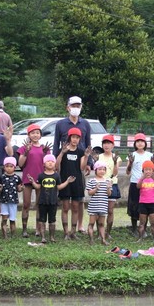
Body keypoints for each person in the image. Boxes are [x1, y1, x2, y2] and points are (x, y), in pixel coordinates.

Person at [53, 96, 92, 233]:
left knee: (79, 199)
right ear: (68, 107)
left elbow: (88, 144)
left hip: (80, 162)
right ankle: (65, 229)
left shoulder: (85, 124)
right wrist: (54, 163)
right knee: (65, 200)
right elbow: (56, 144)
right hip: (64, 163)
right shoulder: (60, 124)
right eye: (73, 105)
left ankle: (79, 225)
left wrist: (89, 162)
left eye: (78, 106)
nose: (76, 108)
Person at [28, 154, 75, 243]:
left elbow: (59, 187)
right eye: (48, 161)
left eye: (52, 161)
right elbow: (38, 187)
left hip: (53, 201)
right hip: (42, 201)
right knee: (42, 219)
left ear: (55, 164)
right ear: (44, 164)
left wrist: (67, 181)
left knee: (52, 219)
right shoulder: (41, 175)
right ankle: (43, 237)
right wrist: (33, 182)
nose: (50, 163)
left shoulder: (56, 176)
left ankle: (52, 237)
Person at [17, 123, 52, 237]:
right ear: (28, 135)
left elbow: (49, 164)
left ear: (40, 135)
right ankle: (24, 229)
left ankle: (38, 229)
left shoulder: (44, 148)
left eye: (37, 133)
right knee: (26, 204)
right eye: (33, 133)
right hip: (27, 179)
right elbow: (20, 163)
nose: (35, 135)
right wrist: (26, 152)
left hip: (40, 179)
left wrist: (46, 152)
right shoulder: (24, 148)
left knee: (39, 205)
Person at [57, 127, 90, 239]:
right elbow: (57, 166)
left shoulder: (80, 151)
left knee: (75, 207)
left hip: (76, 182)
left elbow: (82, 167)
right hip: (65, 181)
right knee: (65, 207)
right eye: (73, 137)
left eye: (77, 137)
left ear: (79, 139)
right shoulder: (64, 149)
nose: (75, 139)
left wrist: (86, 156)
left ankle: (73, 232)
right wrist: (62, 153)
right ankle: (66, 232)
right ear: (69, 138)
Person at [125, 133, 154, 236]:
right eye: (138, 141)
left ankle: (144, 229)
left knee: (144, 206)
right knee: (133, 205)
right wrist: (130, 164)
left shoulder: (149, 155)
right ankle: (134, 229)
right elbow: (127, 172)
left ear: (145, 143)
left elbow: (152, 170)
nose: (140, 143)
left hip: (147, 184)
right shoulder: (132, 155)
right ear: (135, 143)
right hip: (134, 183)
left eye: (142, 141)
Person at [97, 135, 121, 238]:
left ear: (113, 145)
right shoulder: (99, 156)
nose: (106, 145)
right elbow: (97, 171)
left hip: (112, 184)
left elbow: (115, 173)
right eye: (104, 143)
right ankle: (99, 233)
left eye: (109, 143)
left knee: (110, 210)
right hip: (100, 184)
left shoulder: (116, 157)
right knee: (100, 210)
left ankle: (108, 232)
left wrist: (115, 162)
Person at [85, 161, 112, 245]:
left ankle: (103, 239)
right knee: (91, 223)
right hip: (94, 206)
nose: (102, 171)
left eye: (104, 169)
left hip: (103, 206)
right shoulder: (92, 181)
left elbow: (109, 194)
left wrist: (108, 188)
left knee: (101, 224)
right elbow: (89, 193)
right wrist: (96, 189)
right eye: (100, 169)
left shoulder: (108, 181)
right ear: (95, 170)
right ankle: (91, 239)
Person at [0, 156, 23, 238]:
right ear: (4, 167)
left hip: (13, 201)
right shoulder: (2, 177)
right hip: (4, 201)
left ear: (14, 167)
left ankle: (13, 235)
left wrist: (21, 188)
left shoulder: (17, 178)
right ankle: (5, 236)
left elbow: (19, 189)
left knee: (12, 219)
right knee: (4, 218)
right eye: (7, 166)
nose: (9, 168)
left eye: (11, 166)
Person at [137, 160, 154, 241]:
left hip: (152, 203)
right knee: (142, 223)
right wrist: (142, 177)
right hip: (143, 203)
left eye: (150, 169)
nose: (148, 171)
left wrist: (153, 177)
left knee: (153, 222)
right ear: (143, 170)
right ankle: (140, 237)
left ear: (153, 170)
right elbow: (138, 186)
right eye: (146, 169)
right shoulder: (141, 179)